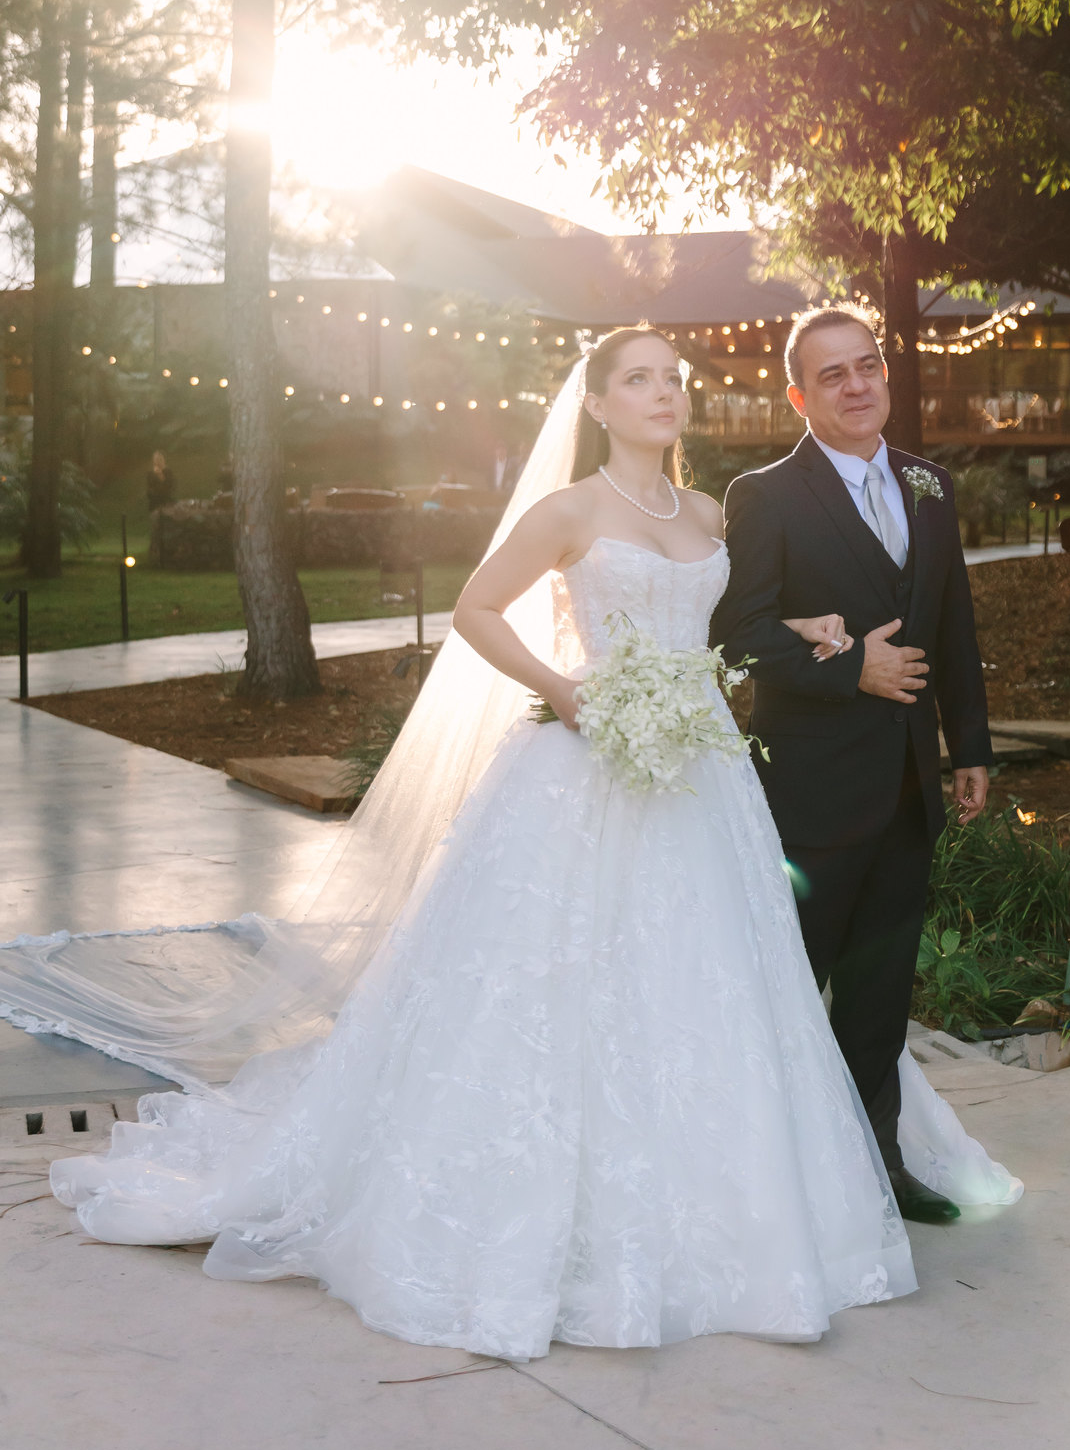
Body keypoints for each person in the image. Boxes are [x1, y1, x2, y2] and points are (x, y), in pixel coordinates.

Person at [0, 327, 1017, 1362]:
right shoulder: (570, 510)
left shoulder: (711, 512)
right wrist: (565, 689)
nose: (664, 394)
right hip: (589, 765)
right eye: (639, 381)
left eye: (673, 380)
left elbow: (730, 629)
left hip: (704, 773)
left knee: (704, 991)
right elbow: (476, 606)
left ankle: (724, 1209)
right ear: (600, 405)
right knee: (561, 991)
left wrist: (811, 634)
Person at [711, 304, 993, 1225]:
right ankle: (782, 1181)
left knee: (878, 996)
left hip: (911, 787)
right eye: (831, 374)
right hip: (812, 793)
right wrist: (847, 667)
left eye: (867, 364)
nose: (857, 383)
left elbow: (952, 626)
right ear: (799, 395)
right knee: (792, 986)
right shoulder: (765, 494)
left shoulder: (930, 485)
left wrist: (970, 747)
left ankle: (877, 1169)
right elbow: (738, 637)